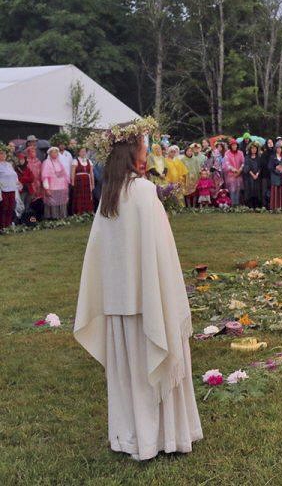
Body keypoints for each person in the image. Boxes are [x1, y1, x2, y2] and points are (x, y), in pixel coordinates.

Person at [74, 120, 202, 461]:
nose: (147, 156)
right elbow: (161, 254)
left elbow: (102, 255)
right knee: (148, 367)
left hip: (119, 303)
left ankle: (130, 436)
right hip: (147, 303)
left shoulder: (109, 197)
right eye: (144, 150)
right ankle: (164, 436)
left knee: (129, 377)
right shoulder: (144, 193)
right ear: (133, 154)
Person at [41, 146, 70, 219]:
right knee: (52, 203)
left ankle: (62, 217)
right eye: (53, 152)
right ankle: (53, 218)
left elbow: (64, 175)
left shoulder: (60, 162)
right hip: (52, 187)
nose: (55, 154)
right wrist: (46, 188)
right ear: (49, 154)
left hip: (62, 187)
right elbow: (45, 177)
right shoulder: (46, 162)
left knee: (62, 202)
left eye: (56, 152)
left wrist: (66, 185)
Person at [71, 147, 95, 215]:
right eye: (81, 151)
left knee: (87, 195)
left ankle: (88, 210)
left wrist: (93, 184)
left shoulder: (89, 161)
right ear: (78, 152)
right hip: (79, 181)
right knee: (80, 195)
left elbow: (91, 173)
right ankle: (79, 211)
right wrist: (72, 182)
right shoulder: (75, 161)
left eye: (84, 151)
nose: (83, 153)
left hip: (87, 180)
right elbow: (73, 173)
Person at [0, 147, 19, 228]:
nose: (3, 155)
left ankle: (8, 225)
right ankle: (2, 226)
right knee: (4, 208)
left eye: (4, 153)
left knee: (11, 208)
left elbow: (14, 175)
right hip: (3, 190)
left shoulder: (9, 164)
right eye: (1, 154)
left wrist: (17, 182)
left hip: (12, 189)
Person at [242, 143, 263, 209]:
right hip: (249, 177)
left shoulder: (259, 157)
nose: (254, 150)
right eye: (252, 148)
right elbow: (247, 167)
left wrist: (257, 174)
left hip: (257, 177)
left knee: (257, 191)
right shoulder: (247, 157)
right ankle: (250, 205)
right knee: (250, 190)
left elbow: (260, 167)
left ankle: (257, 205)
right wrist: (252, 174)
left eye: (255, 148)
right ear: (250, 149)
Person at [223, 140, 244, 206]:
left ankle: (237, 204)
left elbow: (243, 162)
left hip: (239, 174)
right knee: (232, 189)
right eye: (233, 145)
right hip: (230, 175)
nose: (234, 146)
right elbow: (226, 164)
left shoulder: (240, 153)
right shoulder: (227, 153)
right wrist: (233, 169)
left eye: (235, 145)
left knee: (238, 189)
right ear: (230, 146)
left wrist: (240, 170)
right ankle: (232, 204)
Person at [268, 145, 282, 210]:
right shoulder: (272, 157)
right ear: (276, 149)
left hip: (281, 176)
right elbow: (269, 167)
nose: (279, 150)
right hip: (274, 176)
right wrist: (276, 168)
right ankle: (274, 207)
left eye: (280, 148)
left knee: (281, 191)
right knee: (275, 191)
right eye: (278, 148)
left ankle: (280, 207)